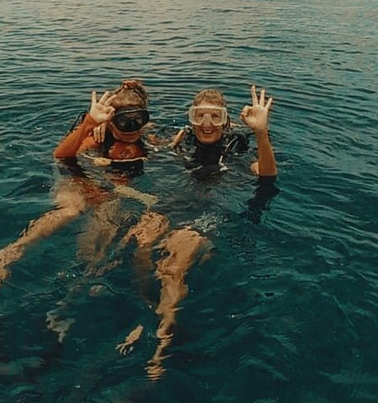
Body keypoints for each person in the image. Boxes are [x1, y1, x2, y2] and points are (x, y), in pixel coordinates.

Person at [119, 85, 277, 379]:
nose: (207, 124)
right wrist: (128, 101)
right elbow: (136, 127)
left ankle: (161, 336)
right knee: (140, 241)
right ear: (190, 119)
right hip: (172, 204)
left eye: (215, 117)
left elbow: (267, 174)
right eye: (199, 116)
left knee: (171, 268)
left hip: (208, 213)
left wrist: (261, 133)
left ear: (226, 121)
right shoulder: (180, 140)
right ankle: (145, 307)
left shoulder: (237, 146)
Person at [0, 79, 155, 290]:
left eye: (138, 120)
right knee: (71, 210)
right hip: (76, 175)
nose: (131, 128)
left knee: (107, 214)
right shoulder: (96, 136)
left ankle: (88, 273)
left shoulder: (149, 137)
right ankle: (13, 250)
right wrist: (91, 123)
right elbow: (60, 156)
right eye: (123, 122)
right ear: (110, 120)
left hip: (108, 186)